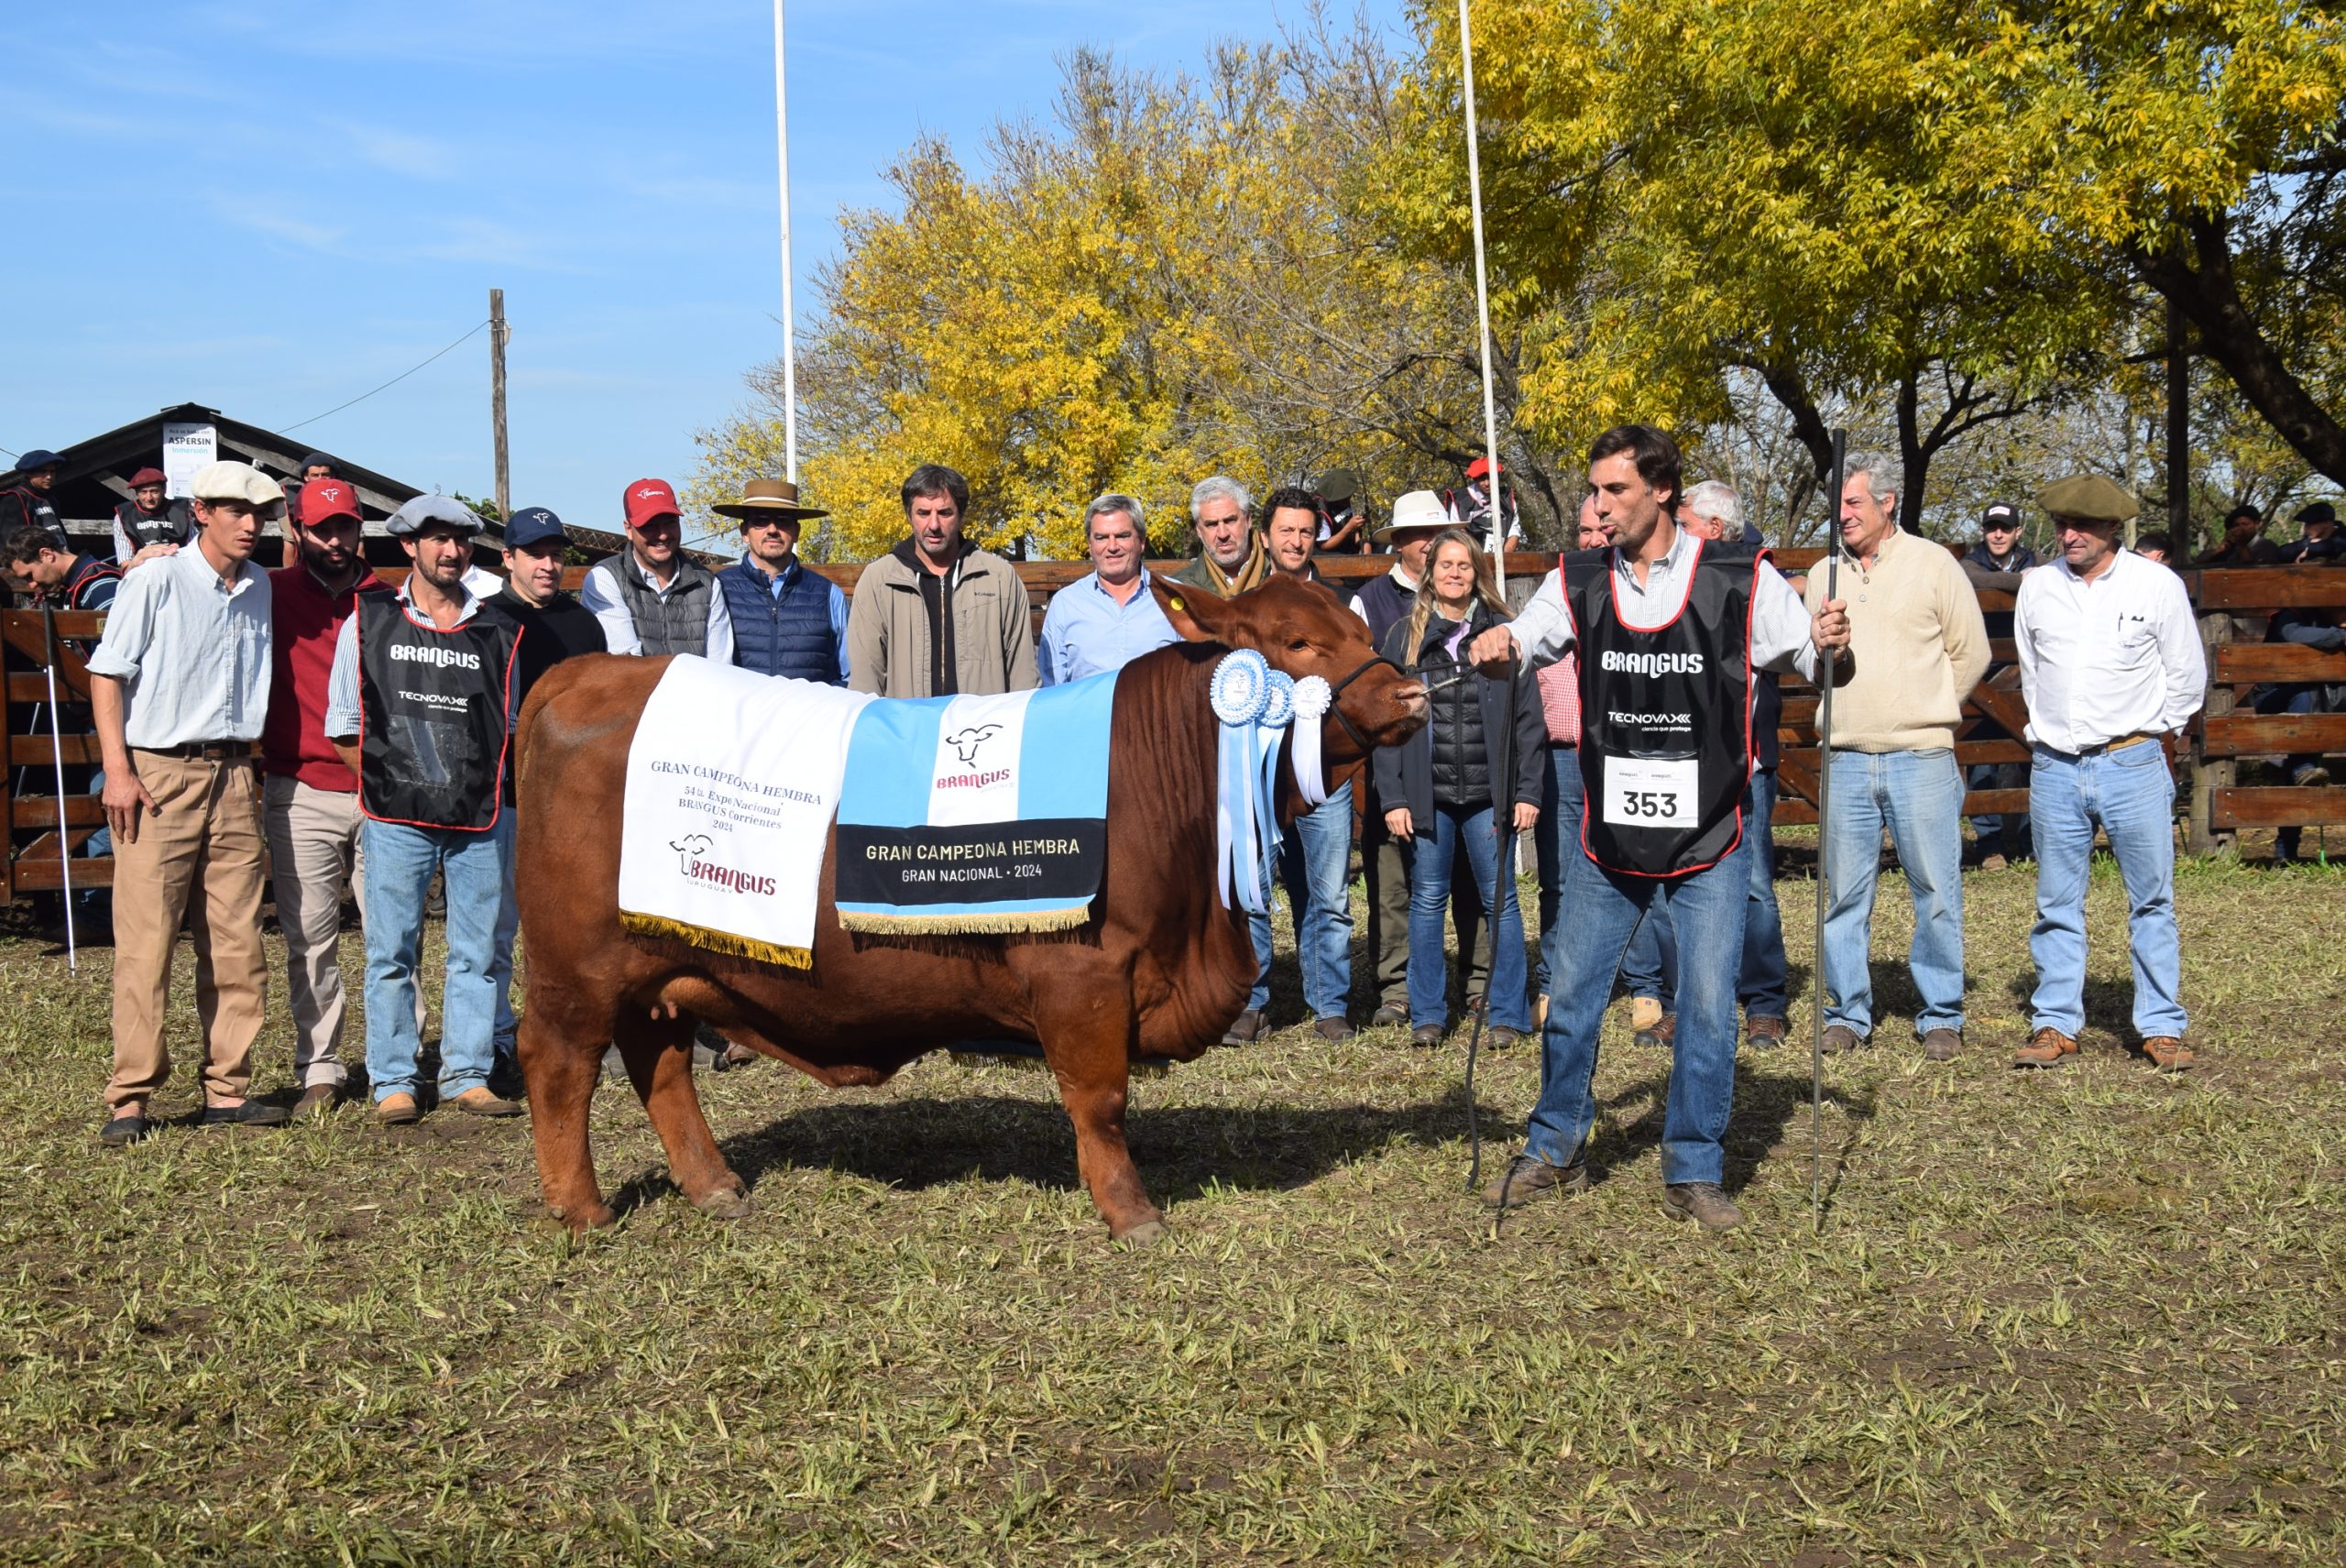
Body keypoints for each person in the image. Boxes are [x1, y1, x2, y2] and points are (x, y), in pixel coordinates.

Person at [1468, 424, 1850, 1231]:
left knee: (1709, 1005)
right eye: (1595, 492)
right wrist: (1502, 645)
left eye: (1616, 491)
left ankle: (1694, 1167)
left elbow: (1821, 663)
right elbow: (1530, 636)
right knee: (1571, 995)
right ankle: (1552, 1147)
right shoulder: (1578, 577)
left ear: (1663, 491)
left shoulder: (1738, 575)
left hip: (1709, 833)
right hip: (1611, 839)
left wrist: (1830, 644)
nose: (1598, 507)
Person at [86, 460, 291, 1146]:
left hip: (234, 773)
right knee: (145, 941)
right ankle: (131, 1097)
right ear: (200, 510)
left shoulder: (260, 584)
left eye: (259, 513)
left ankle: (227, 1090)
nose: (250, 524)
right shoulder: (154, 579)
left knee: (237, 940)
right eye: (236, 510)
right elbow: (107, 675)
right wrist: (118, 770)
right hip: (159, 775)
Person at [324, 496, 525, 1125]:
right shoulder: (368, 619)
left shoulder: (498, 629)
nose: (452, 551)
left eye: (462, 540)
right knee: (391, 950)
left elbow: (509, 727)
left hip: (479, 820)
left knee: (480, 950)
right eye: (437, 539)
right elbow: (343, 725)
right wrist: (395, 782)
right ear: (408, 545)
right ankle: (393, 1078)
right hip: (396, 817)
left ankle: (467, 1072)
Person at [2012, 476, 2205, 1071]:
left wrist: (2149, 733)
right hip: (2056, 765)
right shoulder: (2038, 587)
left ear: (2111, 529)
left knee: (2151, 899)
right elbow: (2030, 671)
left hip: (2133, 761)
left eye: (2082, 526)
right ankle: (2055, 1021)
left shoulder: (2157, 585)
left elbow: (2186, 675)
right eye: (2063, 524)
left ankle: (2160, 1024)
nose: (2068, 535)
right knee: (2056, 901)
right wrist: (2049, 734)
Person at [1808, 452, 1990, 1062]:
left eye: (1854, 502)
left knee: (1935, 889)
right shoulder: (1821, 575)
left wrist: (1930, 705)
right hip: (1846, 757)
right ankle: (1845, 1013)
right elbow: (1816, 668)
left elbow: (1971, 652)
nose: (1842, 515)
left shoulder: (1935, 565)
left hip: (1922, 757)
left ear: (1888, 503)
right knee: (1843, 896)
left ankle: (1940, 1013)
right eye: (1836, 505)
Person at [259, 478, 398, 1117]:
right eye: (322, 529)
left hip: (378, 788)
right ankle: (321, 1062)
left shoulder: (388, 599)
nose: (336, 540)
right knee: (310, 934)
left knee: (390, 932)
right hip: (301, 785)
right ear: (297, 531)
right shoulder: (270, 592)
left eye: (345, 526)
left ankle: (396, 1061)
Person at [1376, 529, 1543, 1048]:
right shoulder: (1404, 636)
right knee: (1428, 899)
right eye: (1445, 564)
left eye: (1464, 566)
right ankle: (1428, 1013)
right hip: (1430, 796)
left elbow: (1528, 719)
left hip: (1489, 796)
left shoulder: (1502, 632)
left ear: (1477, 573)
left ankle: (1507, 1015)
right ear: (1431, 573)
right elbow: (1386, 723)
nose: (1454, 573)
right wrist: (1394, 797)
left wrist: (1528, 791)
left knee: (1503, 903)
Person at [1354, 489, 1488, 1027]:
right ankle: (1398, 988)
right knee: (1397, 886)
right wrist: (1393, 789)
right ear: (1403, 544)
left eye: (1438, 535)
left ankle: (1478, 983)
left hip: (1469, 772)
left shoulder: (1482, 611)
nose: (1428, 544)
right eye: (1418, 536)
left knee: (1475, 884)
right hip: (1408, 767)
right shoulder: (1373, 602)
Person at [488, 505, 609, 1074]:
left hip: (573, 803)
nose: (548, 564)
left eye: (556, 554)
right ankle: (496, 1037)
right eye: (535, 553)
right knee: (497, 923)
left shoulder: (583, 623)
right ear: (507, 558)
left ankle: (571, 1029)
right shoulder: (487, 621)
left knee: (572, 923)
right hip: (506, 795)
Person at [1678, 479, 1792, 1049]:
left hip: (1744, 759)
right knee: (1684, 879)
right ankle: (1698, 1000)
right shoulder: (1675, 578)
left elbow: (1795, 652)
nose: (1677, 535)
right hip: (1687, 760)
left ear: (1715, 530)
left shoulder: (1754, 579)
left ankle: (1765, 1001)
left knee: (1753, 882)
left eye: (1687, 524)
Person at [846, 464, 1036, 697]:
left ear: (961, 515)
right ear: (909, 516)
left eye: (944, 513)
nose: (933, 525)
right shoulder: (878, 581)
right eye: (923, 513)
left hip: (981, 729)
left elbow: (1023, 676)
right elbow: (866, 682)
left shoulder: (999, 578)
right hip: (908, 730)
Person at [1529, 497, 1610, 1032]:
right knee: (1557, 876)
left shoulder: (1635, 593)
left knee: (1630, 867)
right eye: (1583, 530)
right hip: (1562, 755)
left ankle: (1646, 985)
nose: (1591, 540)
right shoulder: (1559, 588)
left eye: (1600, 529)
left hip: (1619, 752)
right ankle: (1554, 981)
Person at [1959, 500, 2040, 871]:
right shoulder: (1971, 561)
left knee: (2028, 758)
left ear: (2018, 532)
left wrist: (2026, 579)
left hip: (2024, 676)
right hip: (1982, 678)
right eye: (1992, 527)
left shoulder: (2032, 562)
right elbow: (1968, 579)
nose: (1998, 534)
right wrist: (2017, 583)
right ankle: (1989, 842)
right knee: (1980, 763)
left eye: (2005, 528)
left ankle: (2026, 839)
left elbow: (2044, 581)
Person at [580, 477, 732, 661]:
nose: (662, 534)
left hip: (696, 689)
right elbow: (626, 663)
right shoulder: (606, 578)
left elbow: (719, 664)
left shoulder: (707, 583)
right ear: (628, 529)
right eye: (649, 526)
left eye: (670, 522)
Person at [711, 478, 849, 683]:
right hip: (743, 714)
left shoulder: (829, 595)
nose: (772, 529)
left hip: (810, 714)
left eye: (783, 520)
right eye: (761, 520)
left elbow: (849, 675)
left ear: (797, 532)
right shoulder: (718, 591)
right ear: (744, 532)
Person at [1037, 493, 1178, 685]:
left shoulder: (1176, 597)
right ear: (1090, 544)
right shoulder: (1065, 605)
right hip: (1087, 715)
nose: (1112, 547)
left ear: (1142, 541)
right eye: (1102, 537)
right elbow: (1052, 687)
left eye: (1122, 536)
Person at [1172, 476, 1271, 597]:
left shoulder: (1283, 577)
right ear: (1198, 530)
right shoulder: (1179, 588)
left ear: (1248, 520)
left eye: (1230, 521)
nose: (1223, 534)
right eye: (1211, 524)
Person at [4, 525, 120, 611]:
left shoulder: (100, 584)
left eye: (30, 576)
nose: (31, 585)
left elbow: (118, 639)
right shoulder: (75, 584)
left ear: (46, 554)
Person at [112, 467, 195, 563]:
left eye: (154, 491)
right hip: (143, 569)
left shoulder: (182, 510)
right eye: (143, 492)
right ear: (137, 493)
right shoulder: (124, 516)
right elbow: (125, 561)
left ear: (164, 490)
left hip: (179, 564)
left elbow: (194, 549)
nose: (149, 498)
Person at [1445, 455, 1522, 554]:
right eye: (1482, 478)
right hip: (1470, 556)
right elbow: (1455, 533)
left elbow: (1514, 530)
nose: (1487, 483)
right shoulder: (1460, 500)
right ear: (1475, 479)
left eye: (1490, 478)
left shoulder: (1507, 498)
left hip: (1501, 558)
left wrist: (1504, 557)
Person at [3, 448, 64, 539]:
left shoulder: (51, 499)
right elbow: (12, 541)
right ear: (29, 473)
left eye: (52, 471)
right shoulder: (14, 498)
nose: (49, 477)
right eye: (43, 472)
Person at [2196, 504, 2278, 565]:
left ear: (2256, 524)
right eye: (2237, 525)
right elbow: (2198, 561)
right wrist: (2219, 550)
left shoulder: (2266, 546)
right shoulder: (2231, 549)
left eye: (2245, 524)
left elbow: (2252, 568)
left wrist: (2242, 545)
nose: (2240, 528)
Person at [1316, 468, 1366, 554]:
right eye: (1345, 498)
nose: (1348, 499)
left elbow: (1355, 532)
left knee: (1380, 547)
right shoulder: (1321, 511)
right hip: (1330, 554)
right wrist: (1349, 527)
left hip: (1348, 546)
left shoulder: (1345, 501)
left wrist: (1363, 545)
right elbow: (1324, 545)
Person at [2284, 499, 2344, 564]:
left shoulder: (2342, 537)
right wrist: (2305, 545)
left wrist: (2310, 549)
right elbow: (2282, 553)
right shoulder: (2307, 541)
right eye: (2306, 523)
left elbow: (2338, 544)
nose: (2306, 527)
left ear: (2326, 523)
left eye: (2311, 523)